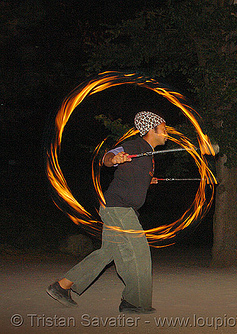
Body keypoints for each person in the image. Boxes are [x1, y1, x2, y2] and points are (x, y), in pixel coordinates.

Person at [46, 111, 168, 314]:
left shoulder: (149, 155)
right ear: (151, 130)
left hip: (119, 209)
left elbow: (133, 177)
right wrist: (114, 159)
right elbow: (107, 157)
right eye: (164, 129)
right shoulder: (134, 145)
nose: (167, 133)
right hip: (118, 208)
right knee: (139, 252)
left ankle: (61, 286)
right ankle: (133, 301)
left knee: (107, 253)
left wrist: (148, 180)